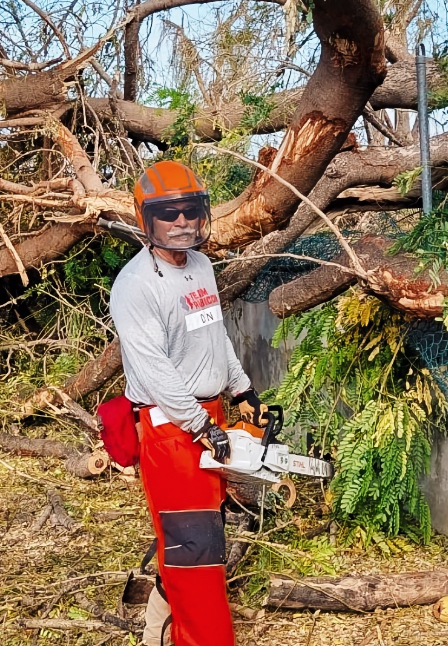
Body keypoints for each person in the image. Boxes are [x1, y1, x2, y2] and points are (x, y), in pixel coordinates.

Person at [109, 160, 261, 646]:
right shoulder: (136, 285)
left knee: (199, 539)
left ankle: (157, 634)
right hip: (171, 429)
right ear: (145, 219)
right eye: (168, 213)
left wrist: (242, 388)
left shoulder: (202, 266)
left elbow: (214, 338)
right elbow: (155, 372)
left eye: (190, 210)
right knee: (195, 551)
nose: (182, 222)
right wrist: (201, 426)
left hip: (206, 418)